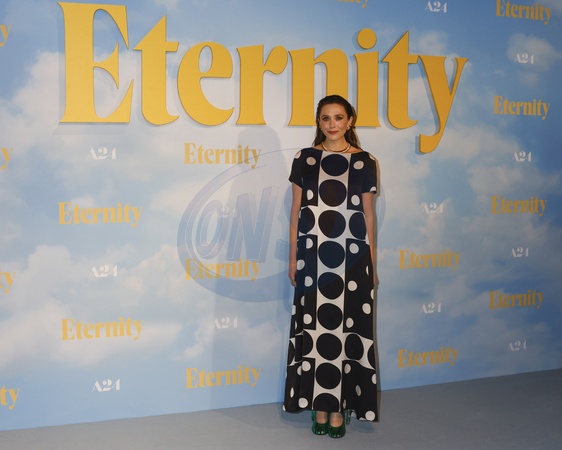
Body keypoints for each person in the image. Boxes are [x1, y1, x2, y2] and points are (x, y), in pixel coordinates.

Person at [283, 94, 379, 438]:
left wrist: (372, 264)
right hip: (313, 259)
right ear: (319, 122)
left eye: (339, 117)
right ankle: (318, 405)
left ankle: (339, 408)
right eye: (325, 118)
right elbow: (296, 212)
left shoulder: (365, 162)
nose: (332, 124)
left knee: (345, 330)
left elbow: (369, 216)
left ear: (349, 121)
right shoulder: (305, 159)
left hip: (352, 261)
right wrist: (293, 258)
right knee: (316, 331)